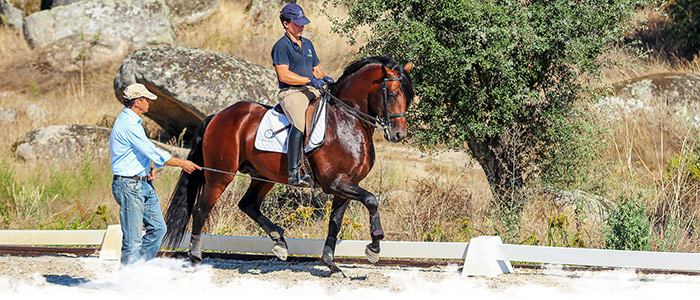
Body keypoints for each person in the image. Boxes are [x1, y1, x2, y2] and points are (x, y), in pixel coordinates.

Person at [109, 83, 201, 266]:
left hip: (141, 184)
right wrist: (182, 163)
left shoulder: (133, 122)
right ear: (137, 101)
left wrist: (146, 168)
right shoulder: (128, 124)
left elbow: (138, 151)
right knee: (133, 241)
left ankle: (140, 269)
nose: (149, 102)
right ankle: (128, 284)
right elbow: (153, 151)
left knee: (158, 229)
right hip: (130, 187)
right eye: (146, 99)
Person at [271, 3, 334, 187]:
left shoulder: (308, 44)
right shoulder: (281, 46)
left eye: (302, 23)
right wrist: (308, 80)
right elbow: (284, 74)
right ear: (285, 23)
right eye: (297, 23)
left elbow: (316, 70)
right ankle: (293, 172)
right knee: (300, 122)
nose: (301, 26)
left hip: (311, 88)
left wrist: (326, 78)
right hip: (291, 93)